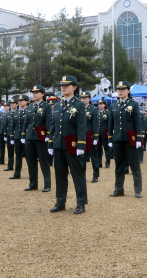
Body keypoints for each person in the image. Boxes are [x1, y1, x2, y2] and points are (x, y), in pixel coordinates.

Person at [48, 75, 88, 214]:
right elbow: (53, 126)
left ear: (74, 87)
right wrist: (50, 143)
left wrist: (81, 145)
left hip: (72, 144)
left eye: (67, 85)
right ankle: (60, 201)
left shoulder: (78, 104)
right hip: (59, 144)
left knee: (77, 174)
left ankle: (81, 203)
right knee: (60, 174)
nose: (63, 87)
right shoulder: (58, 105)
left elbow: (82, 126)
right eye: (61, 85)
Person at [108, 80, 144, 199]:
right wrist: (109, 138)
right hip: (117, 138)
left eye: (123, 89)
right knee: (119, 165)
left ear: (128, 91)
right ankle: (118, 189)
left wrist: (139, 138)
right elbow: (111, 124)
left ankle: (137, 190)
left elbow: (138, 122)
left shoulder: (133, 104)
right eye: (118, 89)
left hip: (130, 138)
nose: (120, 91)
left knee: (134, 165)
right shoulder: (113, 106)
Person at [23, 85, 52, 192]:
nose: (34, 94)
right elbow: (27, 121)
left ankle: (47, 184)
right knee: (31, 161)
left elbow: (49, 121)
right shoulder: (30, 106)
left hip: (41, 137)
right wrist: (23, 135)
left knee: (43, 161)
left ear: (43, 94)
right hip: (30, 137)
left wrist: (48, 135)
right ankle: (33, 183)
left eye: (37, 92)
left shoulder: (46, 106)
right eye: (33, 92)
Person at [80, 91, 99, 181]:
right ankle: (82, 175)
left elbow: (95, 124)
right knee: (82, 157)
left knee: (93, 157)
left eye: (85, 98)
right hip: (81, 136)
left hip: (90, 135)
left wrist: (96, 137)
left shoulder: (93, 109)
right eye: (82, 98)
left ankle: (95, 175)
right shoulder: (79, 109)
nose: (83, 99)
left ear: (89, 99)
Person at [9, 94, 28, 180]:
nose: (20, 102)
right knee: (18, 156)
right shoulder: (17, 112)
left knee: (28, 156)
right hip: (17, 136)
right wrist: (12, 137)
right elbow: (13, 126)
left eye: (22, 100)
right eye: (19, 101)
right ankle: (17, 173)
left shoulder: (29, 111)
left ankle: (31, 174)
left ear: (26, 102)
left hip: (27, 137)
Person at [93, 98, 111, 170]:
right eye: (99, 104)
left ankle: (107, 162)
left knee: (106, 149)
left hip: (105, 133)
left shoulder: (108, 113)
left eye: (101, 104)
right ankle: (99, 162)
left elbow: (110, 124)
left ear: (104, 105)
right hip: (98, 133)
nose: (100, 106)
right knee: (98, 149)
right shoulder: (97, 113)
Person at [3, 97, 17, 173]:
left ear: (17, 104)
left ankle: (18, 168)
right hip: (9, 134)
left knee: (18, 152)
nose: (12, 105)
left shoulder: (19, 112)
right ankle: (10, 165)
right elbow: (5, 125)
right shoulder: (8, 113)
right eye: (11, 104)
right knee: (10, 151)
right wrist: (5, 135)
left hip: (17, 134)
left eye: (13, 103)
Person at [0, 101, 9, 166]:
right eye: (4, 106)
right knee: (1, 147)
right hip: (1, 133)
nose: (5, 107)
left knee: (9, 148)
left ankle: (10, 162)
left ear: (9, 107)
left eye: (6, 106)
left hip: (8, 133)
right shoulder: (2, 114)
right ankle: (1, 160)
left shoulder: (10, 114)